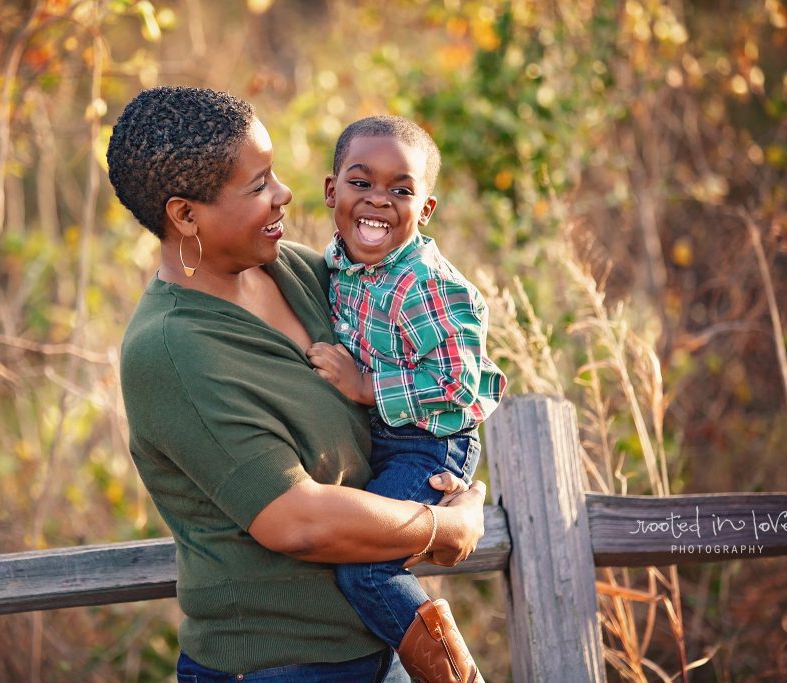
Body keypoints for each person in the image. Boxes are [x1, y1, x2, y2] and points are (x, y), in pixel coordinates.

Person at [107, 86, 489, 682]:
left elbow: (433, 355)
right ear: (185, 215)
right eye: (258, 185)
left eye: (274, 173)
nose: (285, 193)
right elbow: (296, 520)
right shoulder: (170, 351)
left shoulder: (301, 270)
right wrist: (444, 527)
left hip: (374, 653)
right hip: (278, 665)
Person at [306, 116, 507, 682]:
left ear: (426, 208)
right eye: (361, 182)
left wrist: (367, 387)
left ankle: (457, 678)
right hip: (383, 439)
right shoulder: (339, 263)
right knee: (348, 554)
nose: (378, 201)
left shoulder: (426, 284)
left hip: (429, 444)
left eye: (401, 190)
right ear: (331, 191)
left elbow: (461, 385)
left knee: (366, 571)